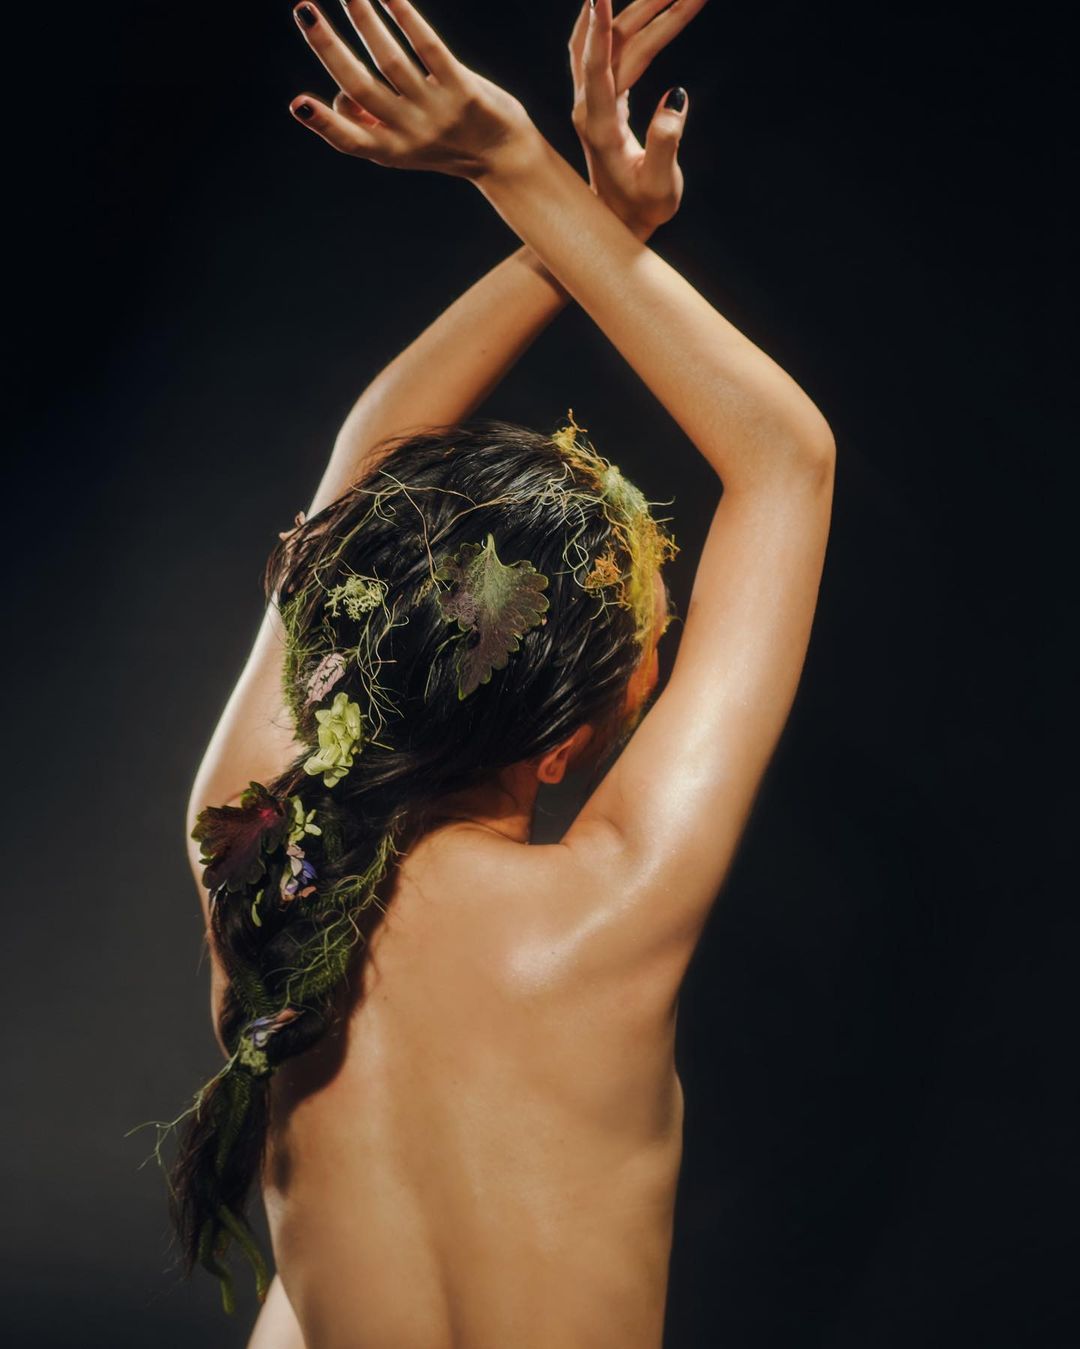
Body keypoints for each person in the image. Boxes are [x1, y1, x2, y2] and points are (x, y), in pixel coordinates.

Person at [170, 1, 836, 1345]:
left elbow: (368, 460)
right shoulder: (607, 909)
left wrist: (573, 212)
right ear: (564, 745)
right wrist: (525, 174)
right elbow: (785, 460)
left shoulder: (248, 862)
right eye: (650, 650)